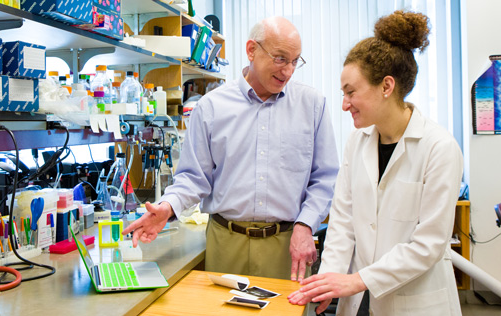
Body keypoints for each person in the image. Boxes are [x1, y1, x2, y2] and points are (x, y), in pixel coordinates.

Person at [122, 16, 339, 280]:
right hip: (226, 242)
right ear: (251, 50)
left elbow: (324, 179)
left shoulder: (312, 105)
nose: (288, 71)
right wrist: (167, 208)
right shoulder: (211, 107)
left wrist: (306, 225)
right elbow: (193, 178)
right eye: (280, 58)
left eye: (295, 61)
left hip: (287, 243)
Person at [287, 10, 463, 315]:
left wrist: (355, 280)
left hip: (416, 301)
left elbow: (428, 246)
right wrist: (329, 280)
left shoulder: (439, 148)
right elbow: (343, 221)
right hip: (359, 297)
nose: (344, 104)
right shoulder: (358, 142)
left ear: (386, 86)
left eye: (351, 92)